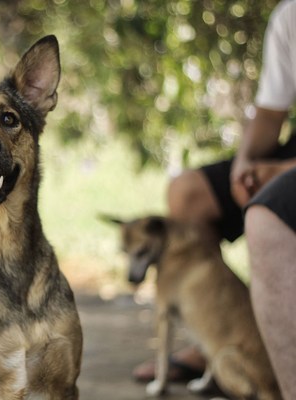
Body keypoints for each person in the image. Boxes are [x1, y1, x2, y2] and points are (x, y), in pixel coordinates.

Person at [134, 0, 296, 397]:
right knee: (186, 195)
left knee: (267, 213)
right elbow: (270, 114)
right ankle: (223, 337)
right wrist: (247, 163)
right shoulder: (289, 16)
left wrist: (281, 173)